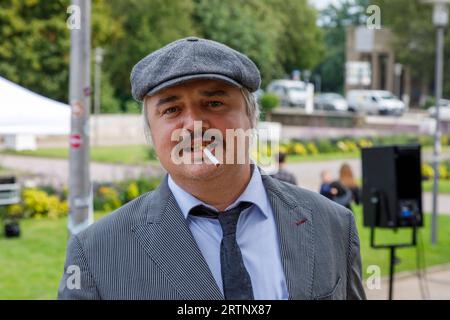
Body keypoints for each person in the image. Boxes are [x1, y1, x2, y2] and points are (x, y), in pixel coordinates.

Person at [58, 37, 365, 300]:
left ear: (251, 118)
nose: (193, 125)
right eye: (172, 109)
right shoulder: (96, 254)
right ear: (152, 133)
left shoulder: (333, 225)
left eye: (214, 103)